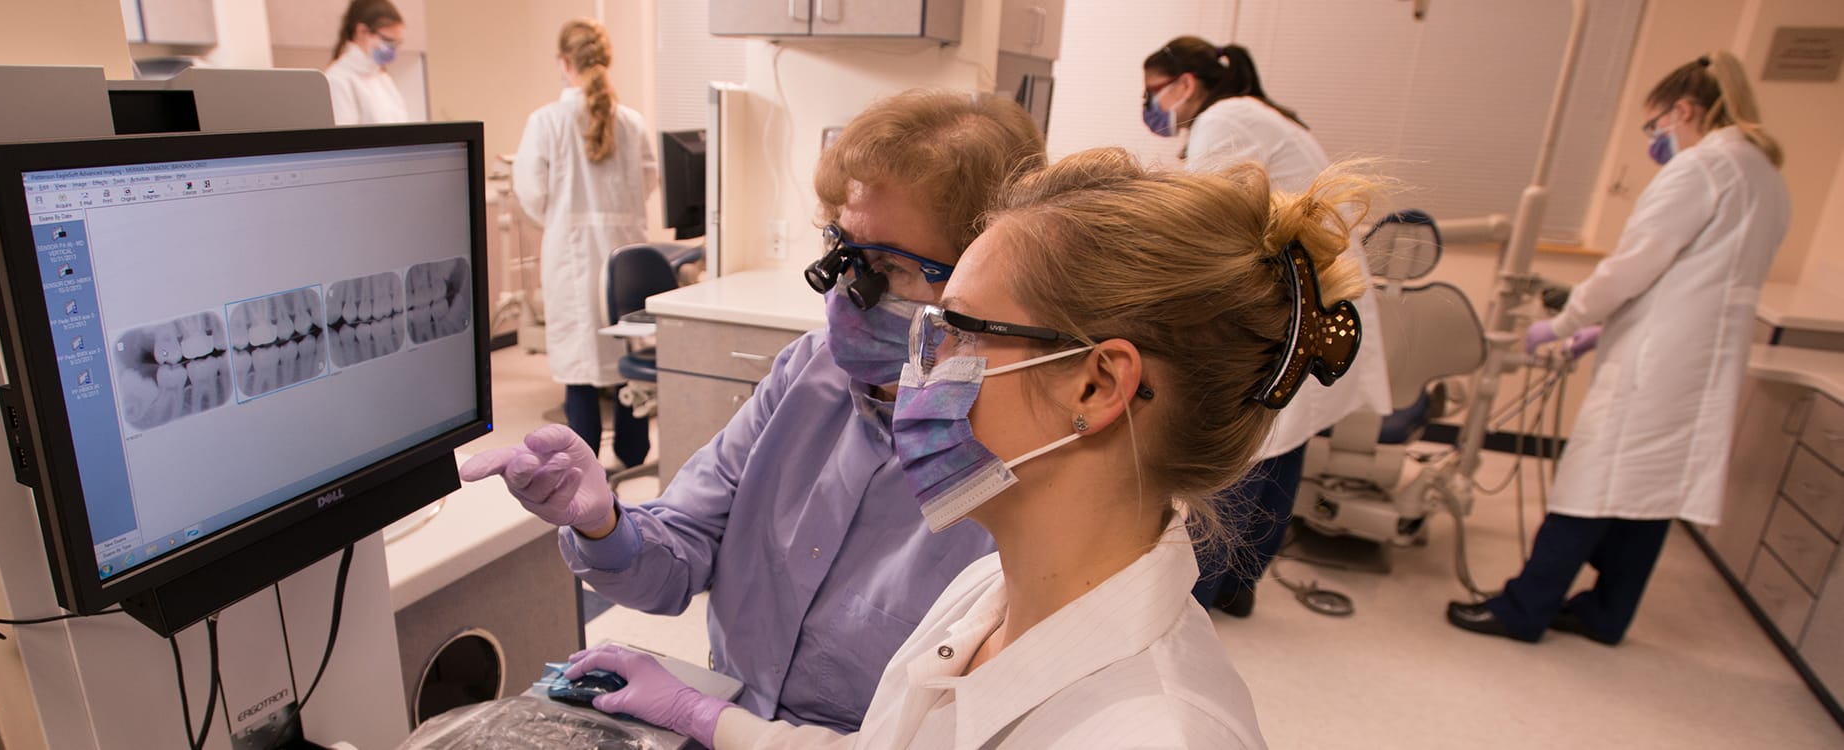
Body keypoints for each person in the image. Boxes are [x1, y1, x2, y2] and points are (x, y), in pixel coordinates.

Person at [560, 150, 1377, 749]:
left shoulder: (1152, 732)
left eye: (959, 332)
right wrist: (710, 718)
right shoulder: (989, 590)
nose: (919, 368)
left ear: (1096, 386)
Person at [460, 91, 1046, 731]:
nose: (849, 292)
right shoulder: (808, 372)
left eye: (886, 267)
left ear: (980, 278)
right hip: (723, 714)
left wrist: (712, 721)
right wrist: (603, 524)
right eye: (842, 250)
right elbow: (675, 562)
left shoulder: (1023, 458)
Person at [1447, 51, 1789, 645]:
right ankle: (1607, 614)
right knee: (1651, 489)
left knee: (1593, 479)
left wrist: (1561, 324)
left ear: (1684, 110)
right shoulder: (1762, 171)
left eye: (1654, 126)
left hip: (1658, 359)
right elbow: (1695, 280)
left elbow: (1630, 268)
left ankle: (1524, 609)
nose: (1656, 141)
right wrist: (1601, 332)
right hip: (1699, 358)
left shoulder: (1700, 169)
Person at [1143, 35, 1392, 615]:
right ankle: (1237, 589)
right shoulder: (1259, 113)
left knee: (1244, 451)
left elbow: (1203, 220)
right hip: (1313, 298)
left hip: (1294, 304)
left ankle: (1191, 602)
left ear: (1186, 85)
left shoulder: (1225, 117)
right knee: (1282, 444)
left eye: (1155, 90)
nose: (1152, 104)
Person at [509, 18, 659, 467]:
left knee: (580, 368)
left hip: (572, 257)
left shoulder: (547, 121)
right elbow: (648, 181)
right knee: (626, 358)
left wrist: (562, 220)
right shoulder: (631, 122)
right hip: (625, 260)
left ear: (564, 63)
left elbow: (532, 194)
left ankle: (583, 470)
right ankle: (634, 458)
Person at [325, 0, 410, 125]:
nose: (392, 48)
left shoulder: (382, 77)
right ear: (362, 31)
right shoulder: (337, 79)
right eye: (387, 40)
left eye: (397, 43)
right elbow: (344, 139)